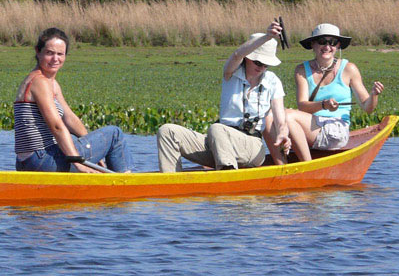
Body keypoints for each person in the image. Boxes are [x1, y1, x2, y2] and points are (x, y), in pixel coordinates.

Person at [156, 21, 291, 172]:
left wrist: (283, 134)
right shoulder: (230, 73)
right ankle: (173, 182)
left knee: (216, 129)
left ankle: (227, 175)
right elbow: (237, 54)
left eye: (266, 64)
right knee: (167, 131)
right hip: (218, 141)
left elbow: (281, 120)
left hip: (251, 145)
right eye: (258, 62)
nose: (261, 67)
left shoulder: (273, 81)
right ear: (247, 58)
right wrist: (267, 36)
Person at [13, 27, 134, 173]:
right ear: (38, 52)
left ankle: (111, 179)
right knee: (115, 134)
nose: (55, 59)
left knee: (104, 140)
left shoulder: (51, 83)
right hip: (42, 160)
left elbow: (69, 118)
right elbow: (57, 126)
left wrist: (97, 151)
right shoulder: (40, 82)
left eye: (60, 54)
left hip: (30, 162)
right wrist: (77, 162)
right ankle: (125, 182)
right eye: (50, 53)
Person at [286, 23, 384, 161]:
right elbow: (302, 106)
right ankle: (282, 162)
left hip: (336, 128)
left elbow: (367, 108)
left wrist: (374, 95)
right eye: (322, 42)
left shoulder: (349, 69)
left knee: (287, 116)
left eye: (332, 42)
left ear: (338, 46)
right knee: (276, 116)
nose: (327, 47)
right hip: (311, 127)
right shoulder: (301, 70)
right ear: (313, 44)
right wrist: (324, 105)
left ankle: (307, 165)